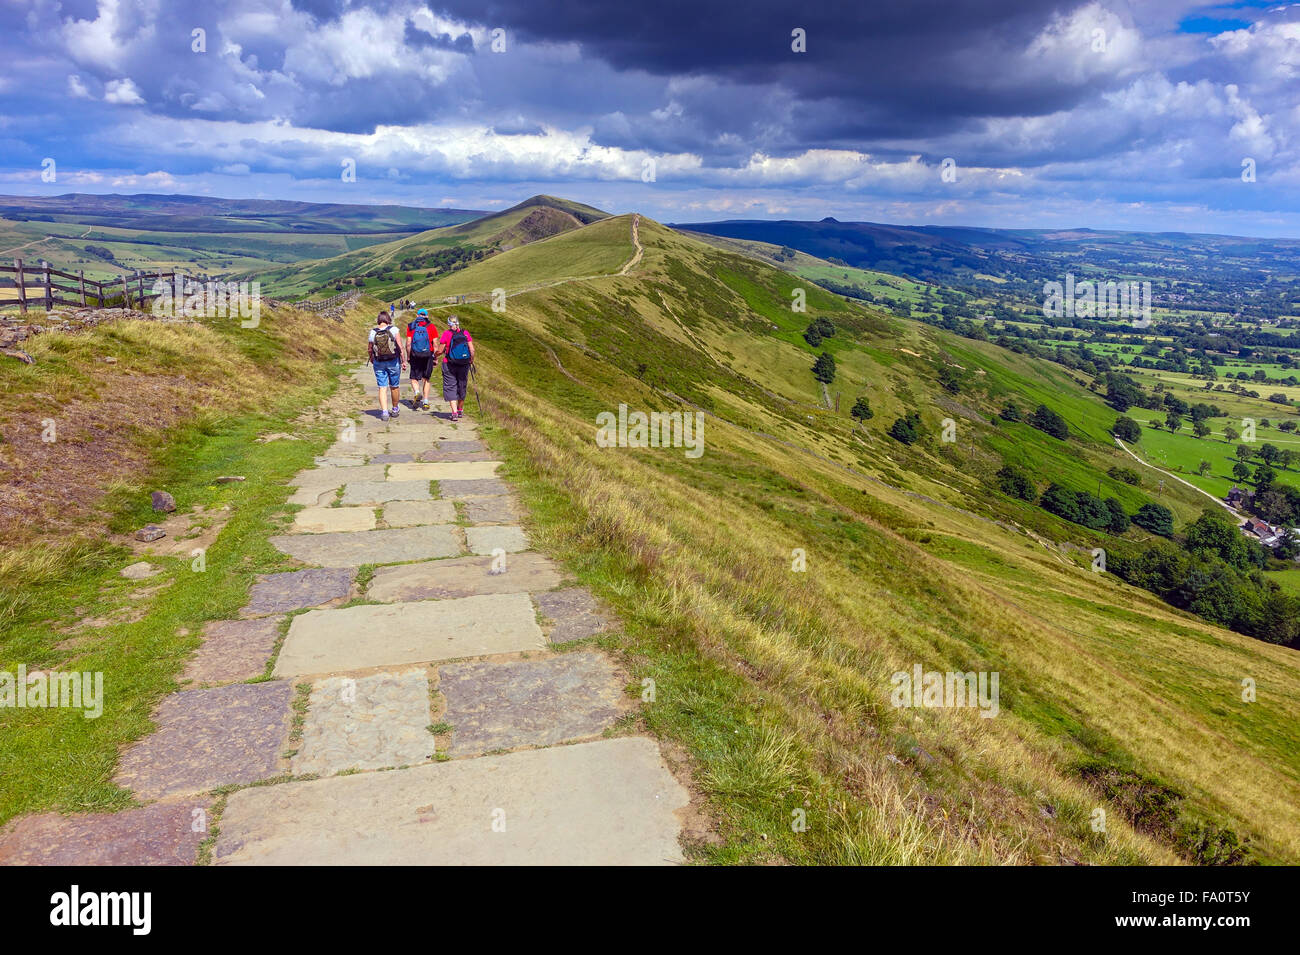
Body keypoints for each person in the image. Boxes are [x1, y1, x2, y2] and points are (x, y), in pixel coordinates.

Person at [367, 311, 408, 422]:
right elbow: (400, 347)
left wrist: (372, 359)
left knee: (382, 387)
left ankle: (384, 412)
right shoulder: (394, 330)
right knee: (394, 386)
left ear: (379, 320)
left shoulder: (372, 332)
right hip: (393, 361)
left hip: (378, 362)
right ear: (388, 320)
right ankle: (395, 409)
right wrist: (403, 361)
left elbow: (370, 349)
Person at [435, 314, 475, 420]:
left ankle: (454, 413)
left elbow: (440, 350)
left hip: (449, 363)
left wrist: (434, 355)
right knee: (462, 386)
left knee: (450, 386)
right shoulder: (465, 333)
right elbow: (472, 350)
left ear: (449, 324)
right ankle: (460, 409)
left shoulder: (446, 334)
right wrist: (471, 360)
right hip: (464, 364)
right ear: (458, 323)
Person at [406, 307, 437, 411]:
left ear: (417, 316)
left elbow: (408, 343)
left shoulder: (411, 326)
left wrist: (408, 356)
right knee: (426, 379)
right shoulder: (431, 326)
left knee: (414, 378)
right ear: (427, 316)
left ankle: (417, 393)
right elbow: (435, 344)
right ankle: (426, 402)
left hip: (415, 355)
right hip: (428, 355)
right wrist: (435, 357)